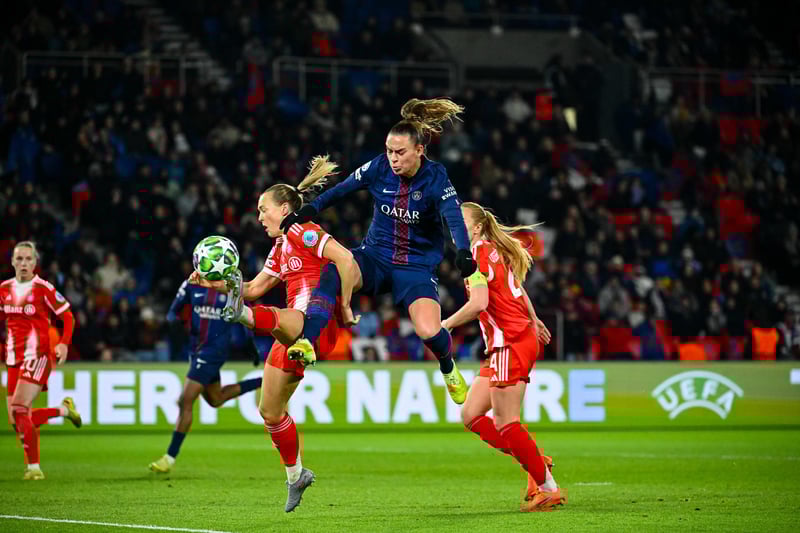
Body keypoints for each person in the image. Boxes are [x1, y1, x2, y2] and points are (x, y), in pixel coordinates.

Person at [280, 98, 477, 403]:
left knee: (429, 332)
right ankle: (307, 340)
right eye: (389, 151)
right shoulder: (378, 167)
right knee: (334, 269)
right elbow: (341, 188)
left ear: (419, 151)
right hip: (375, 257)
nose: (393, 158)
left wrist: (462, 250)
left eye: (400, 152)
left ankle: (448, 366)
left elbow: (453, 215)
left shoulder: (436, 177)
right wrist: (310, 209)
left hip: (415, 268)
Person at [191, 156, 358, 512]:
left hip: (316, 325)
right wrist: (212, 282)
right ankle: (296, 475)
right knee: (269, 411)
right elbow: (252, 287)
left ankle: (245, 318)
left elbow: (346, 259)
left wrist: (344, 305)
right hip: (288, 333)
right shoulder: (281, 246)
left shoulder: (303, 230)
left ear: (284, 208)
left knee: (277, 316)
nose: (259, 216)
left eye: (262, 209)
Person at [441, 203, 566, 511]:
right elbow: (518, 290)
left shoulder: (478, 255)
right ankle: (536, 461)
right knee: (471, 415)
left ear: (477, 227)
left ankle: (548, 488)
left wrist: (444, 326)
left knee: (507, 423)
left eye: (461, 220)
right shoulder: (489, 250)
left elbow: (480, 303)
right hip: (509, 341)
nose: (453, 223)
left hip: (509, 341)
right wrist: (534, 320)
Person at [147, 279, 263, 474]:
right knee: (216, 399)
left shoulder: (230, 286)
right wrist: (174, 325)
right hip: (197, 350)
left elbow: (247, 315)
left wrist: (250, 344)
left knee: (185, 400)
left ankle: (169, 457)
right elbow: (172, 312)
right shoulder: (191, 284)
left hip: (214, 351)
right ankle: (263, 381)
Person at [1, 241, 82, 480]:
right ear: (12, 262)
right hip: (13, 359)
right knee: (17, 420)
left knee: (18, 409)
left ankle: (34, 469)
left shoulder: (43, 288)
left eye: (28, 259)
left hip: (37, 357)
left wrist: (64, 343)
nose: (24, 263)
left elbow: (68, 316)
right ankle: (63, 410)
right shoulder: (4, 289)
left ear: (35, 263)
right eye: (19, 259)